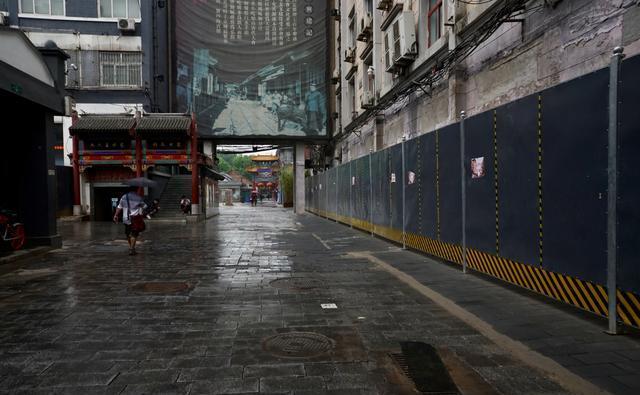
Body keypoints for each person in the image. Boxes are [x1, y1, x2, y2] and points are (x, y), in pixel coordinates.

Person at [113, 187, 147, 256]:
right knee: (134, 234)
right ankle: (132, 249)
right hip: (135, 218)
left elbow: (119, 207)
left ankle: (132, 248)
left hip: (126, 218)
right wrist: (140, 206)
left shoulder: (124, 197)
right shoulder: (138, 197)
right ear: (136, 190)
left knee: (128, 234)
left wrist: (115, 215)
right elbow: (145, 206)